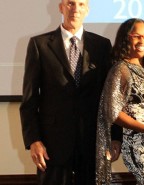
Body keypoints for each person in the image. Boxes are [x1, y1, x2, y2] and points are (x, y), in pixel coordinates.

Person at [19, 0, 122, 184]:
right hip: (52, 147)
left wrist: (115, 137)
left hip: (92, 144)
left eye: (81, 4)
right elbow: (29, 100)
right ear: (61, 7)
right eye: (70, 3)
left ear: (87, 10)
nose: (75, 9)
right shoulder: (39, 45)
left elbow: (111, 98)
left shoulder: (102, 46)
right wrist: (33, 140)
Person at [96, 18, 144, 185]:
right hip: (140, 145)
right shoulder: (121, 69)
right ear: (126, 38)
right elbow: (112, 112)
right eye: (137, 36)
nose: (143, 42)